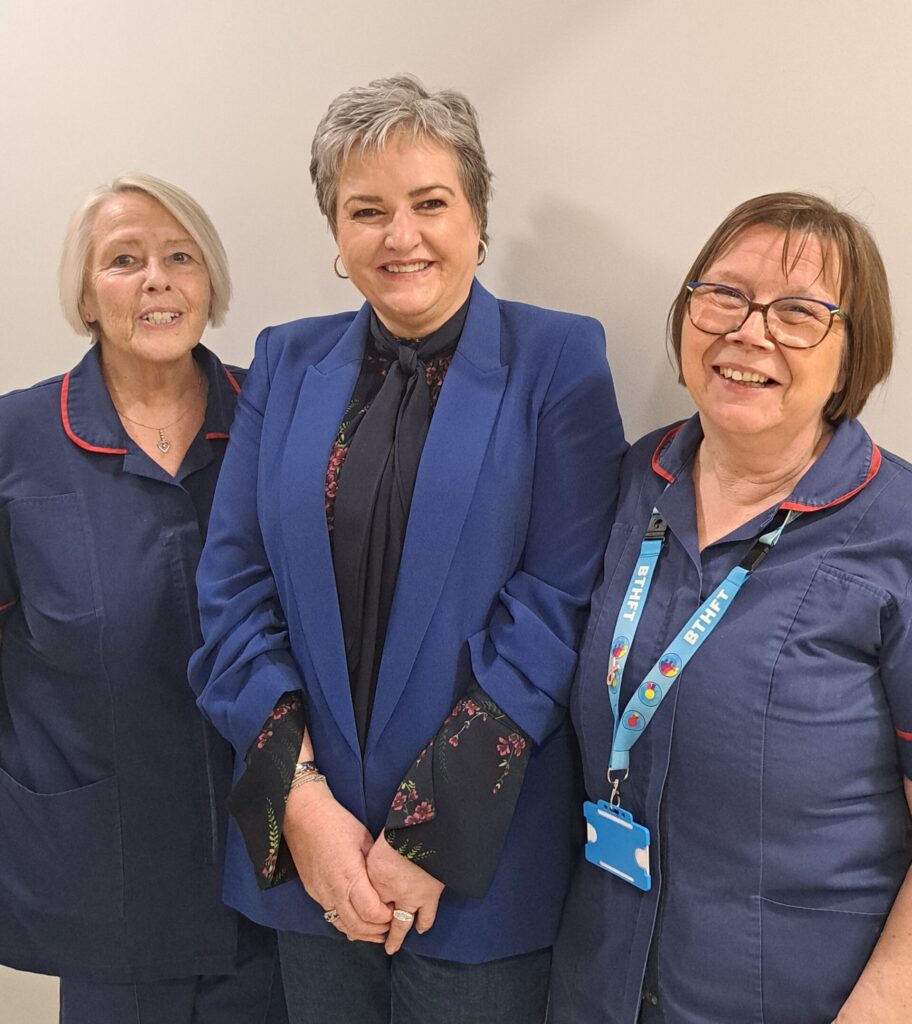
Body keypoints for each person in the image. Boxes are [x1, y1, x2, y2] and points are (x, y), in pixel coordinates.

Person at [189, 75, 626, 1024]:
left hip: (482, 866)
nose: (402, 236)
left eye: (431, 203)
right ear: (337, 237)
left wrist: (426, 839)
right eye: (367, 211)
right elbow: (231, 587)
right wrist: (303, 809)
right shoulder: (285, 362)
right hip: (312, 859)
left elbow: (559, 606)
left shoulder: (558, 359)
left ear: (477, 217)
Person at [549, 192, 912, 1024]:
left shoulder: (897, 532)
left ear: (854, 356)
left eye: (799, 313)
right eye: (724, 297)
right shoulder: (632, 479)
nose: (749, 332)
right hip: (599, 981)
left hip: (804, 994)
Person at [0, 174, 286, 1024]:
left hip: (276, 873)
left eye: (180, 257)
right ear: (86, 295)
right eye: (125, 260)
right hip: (102, 879)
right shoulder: (15, 443)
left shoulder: (279, 417)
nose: (157, 279)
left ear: (209, 286)